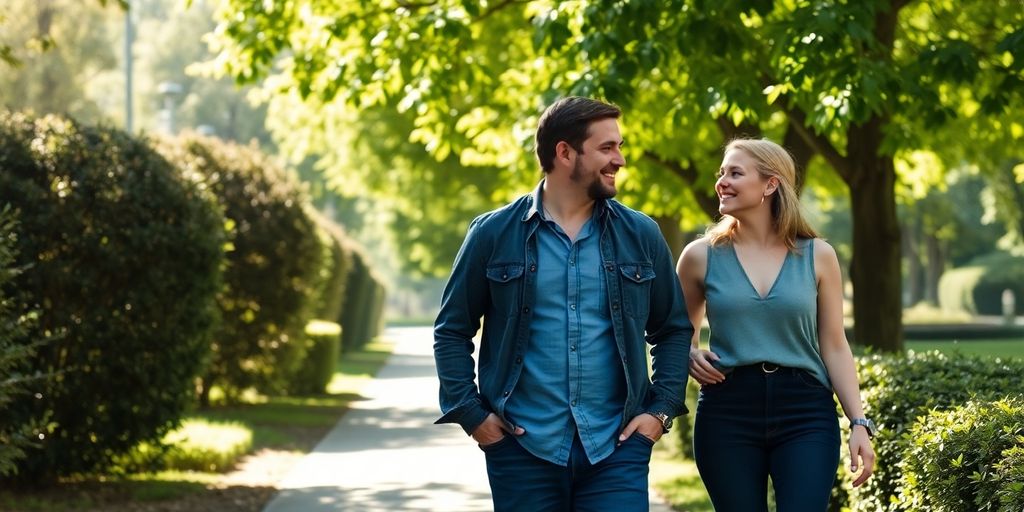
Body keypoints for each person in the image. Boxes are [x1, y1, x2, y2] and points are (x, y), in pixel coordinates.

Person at [433, 96, 693, 511]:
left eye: (620, 147)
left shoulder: (641, 233)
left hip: (617, 448)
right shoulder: (493, 233)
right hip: (521, 450)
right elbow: (452, 329)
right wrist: (471, 415)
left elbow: (673, 329)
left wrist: (659, 413)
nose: (620, 160)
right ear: (564, 152)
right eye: (607, 148)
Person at [677, 138, 876, 511]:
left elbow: (834, 344)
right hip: (727, 410)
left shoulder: (819, 256)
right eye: (722, 173)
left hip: (805, 411)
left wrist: (859, 422)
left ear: (770, 185)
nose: (722, 182)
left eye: (735, 173)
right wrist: (689, 355)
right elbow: (677, 335)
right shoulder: (699, 256)